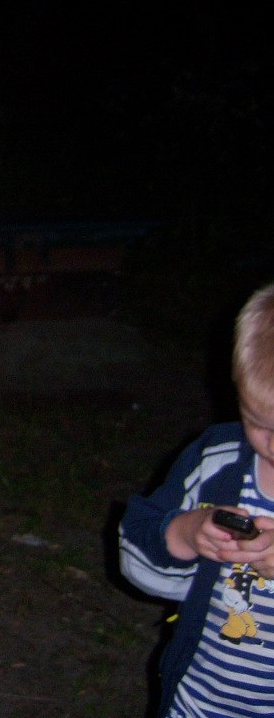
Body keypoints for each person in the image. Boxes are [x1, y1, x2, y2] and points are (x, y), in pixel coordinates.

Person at [119, 283, 274, 718]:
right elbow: (138, 562)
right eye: (258, 422)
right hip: (201, 704)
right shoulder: (217, 463)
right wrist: (185, 534)